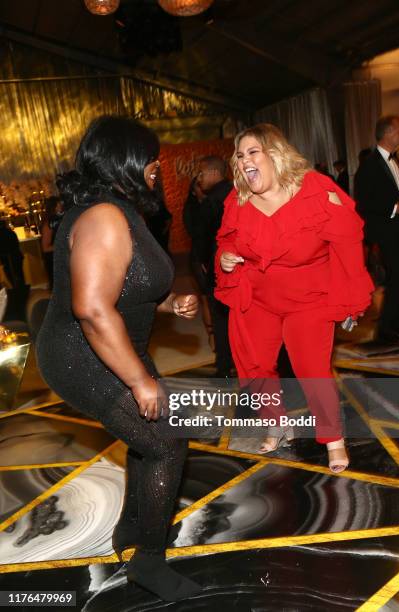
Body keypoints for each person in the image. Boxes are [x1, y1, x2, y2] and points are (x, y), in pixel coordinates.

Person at [35, 116, 202, 602]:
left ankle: (133, 531)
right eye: (150, 156)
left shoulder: (116, 210)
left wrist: (168, 303)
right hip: (82, 355)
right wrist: (138, 380)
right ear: (125, 159)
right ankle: (148, 564)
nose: (157, 165)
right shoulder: (104, 216)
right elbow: (89, 308)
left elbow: (122, 286)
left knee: (147, 437)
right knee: (166, 441)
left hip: (108, 347)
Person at [214, 123, 374, 472]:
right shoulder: (238, 200)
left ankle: (333, 438)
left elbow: (347, 244)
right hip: (258, 297)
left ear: (274, 154)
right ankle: (277, 421)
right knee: (254, 366)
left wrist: (351, 298)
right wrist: (225, 258)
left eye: (252, 152)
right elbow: (226, 241)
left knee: (312, 368)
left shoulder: (316, 190)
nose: (244, 162)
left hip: (309, 298)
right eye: (240, 156)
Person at [354, 115, 399, 344]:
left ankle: (394, 324)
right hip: (387, 231)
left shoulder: (395, 161)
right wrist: (398, 208)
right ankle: (387, 328)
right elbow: (364, 202)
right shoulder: (369, 165)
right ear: (388, 134)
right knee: (397, 277)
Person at [196, 156, 234, 377]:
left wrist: (204, 263)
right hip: (239, 267)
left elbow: (204, 239)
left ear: (213, 173)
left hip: (219, 269)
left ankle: (223, 366)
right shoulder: (237, 194)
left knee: (220, 320)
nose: (200, 179)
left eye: (201, 174)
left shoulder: (212, 201)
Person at [183, 176, 214, 349]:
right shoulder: (193, 209)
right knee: (206, 298)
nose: (202, 187)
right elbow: (196, 235)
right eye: (198, 185)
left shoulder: (212, 204)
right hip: (199, 258)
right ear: (193, 191)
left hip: (212, 256)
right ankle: (212, 336)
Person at [40, 196, 64, 288]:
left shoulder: (57, 220)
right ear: (53, 207)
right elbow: (45, 248)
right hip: (53, 259)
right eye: (59, 205)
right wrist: (62, 245)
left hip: (58, 257)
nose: (61, 206)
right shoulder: (48, 224)